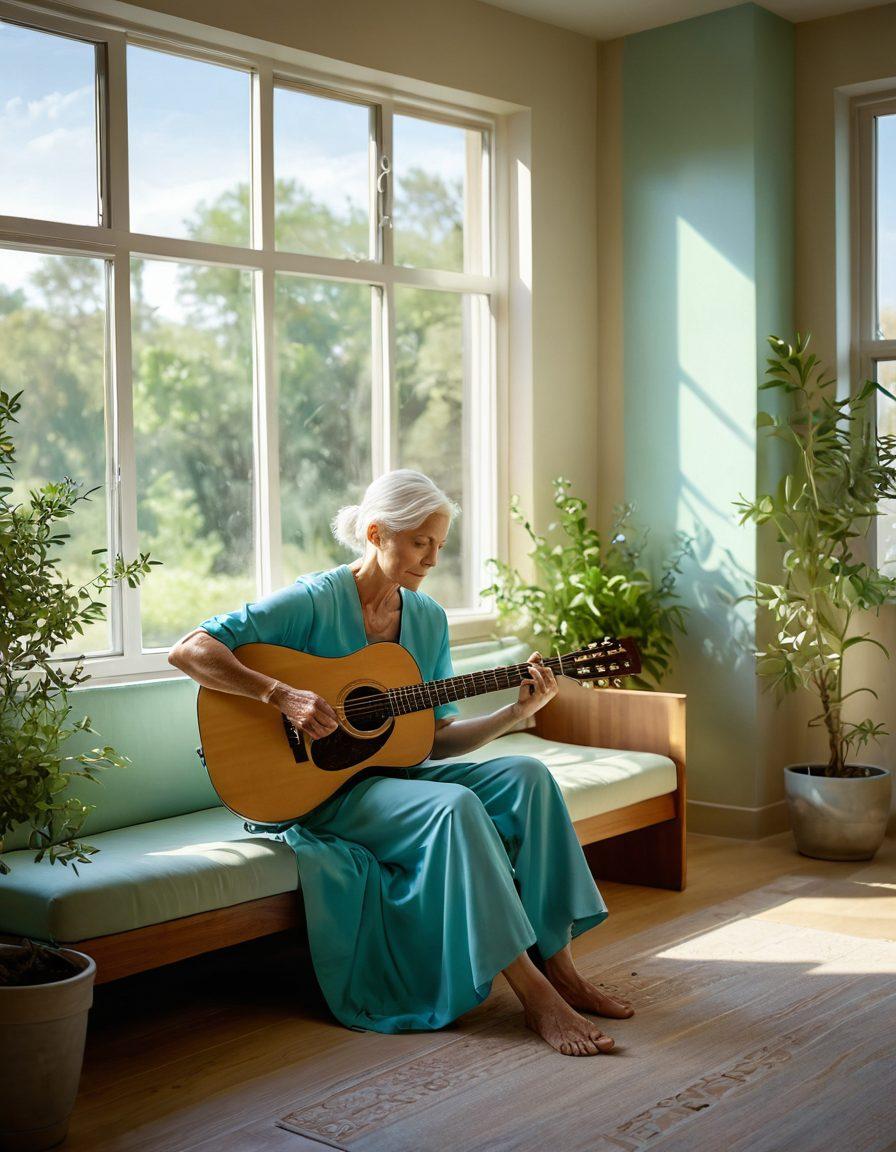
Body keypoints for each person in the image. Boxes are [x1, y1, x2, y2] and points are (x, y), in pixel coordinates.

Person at [168, 469, 634, 1056]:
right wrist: (280, 695)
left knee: (529, 776)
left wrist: (515, 716)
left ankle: (562, 968)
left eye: (439, 545)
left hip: (397, 780)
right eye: (420, 541)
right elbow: (189, 649)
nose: (433, 559)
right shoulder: (313, 600)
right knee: (456, 806)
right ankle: (536, 996)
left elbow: (434, 739)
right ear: (375, 532)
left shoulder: (427, 619)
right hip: (319, 793)